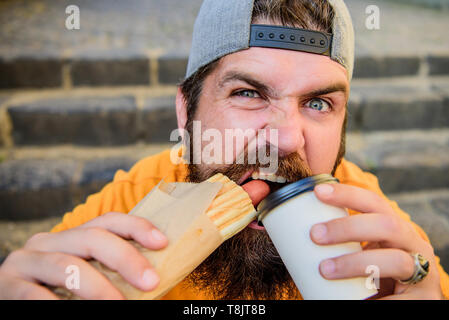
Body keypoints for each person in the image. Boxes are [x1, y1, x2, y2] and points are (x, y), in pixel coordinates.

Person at [0, 0, 448, 300]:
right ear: (185, 112)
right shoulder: (133, 205)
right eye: (248, 93)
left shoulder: (374, 234)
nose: (287, 138)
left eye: (318, 103)